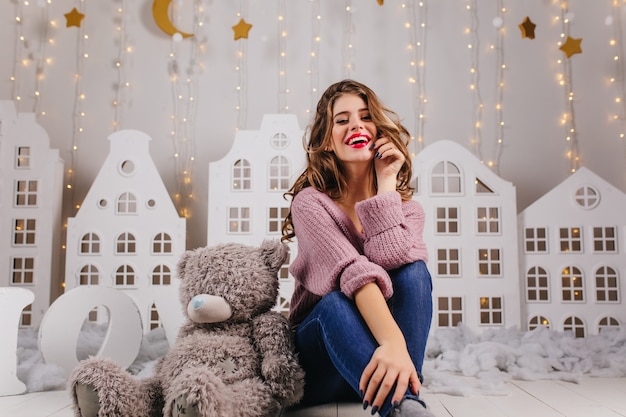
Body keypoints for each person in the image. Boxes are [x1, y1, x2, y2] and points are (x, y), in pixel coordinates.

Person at [281, 79, 435, 417]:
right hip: (320, 363)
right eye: (342, 119)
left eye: (366, 117)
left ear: (379, 130)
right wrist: (394, 343)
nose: (356, 125)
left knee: (414, 272)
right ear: (326, 141)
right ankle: (401, 403)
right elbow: (354, 274)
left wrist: (387, 184)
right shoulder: (310, 204)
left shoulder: (408, 211)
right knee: (336, 303)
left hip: (375, 361)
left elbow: (392, 259)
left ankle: (404, 399)